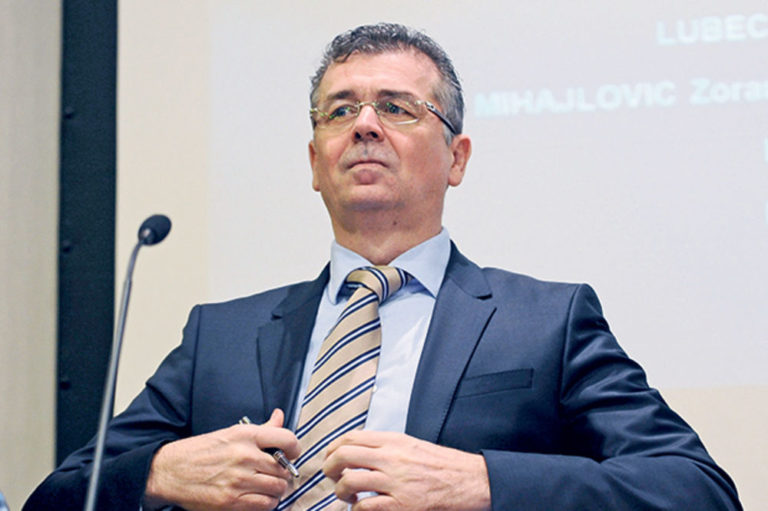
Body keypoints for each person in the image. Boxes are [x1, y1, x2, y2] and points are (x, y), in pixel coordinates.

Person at [25, 23, 741, 511]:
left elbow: (696, 489)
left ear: (457, 158)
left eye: (397, 107)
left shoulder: (547, 322)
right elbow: (56, 496)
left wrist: (482, 483)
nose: (364, 124)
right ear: (315, 163)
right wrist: (158, 473)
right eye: (340, 111)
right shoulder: (221, 335)